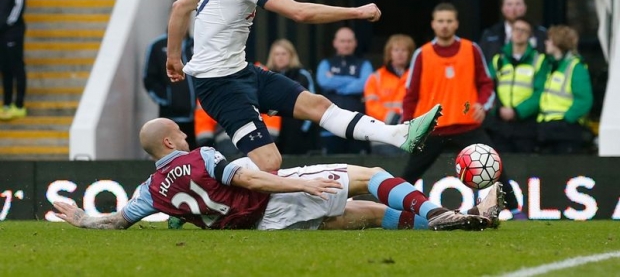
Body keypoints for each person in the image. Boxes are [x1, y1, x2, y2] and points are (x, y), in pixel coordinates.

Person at [166, 0, 442, 172]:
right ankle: (197, 187)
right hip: (218, 85)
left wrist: (174, 58)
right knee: (270, 163)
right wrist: (357, 12)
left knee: (317, 104)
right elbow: (300, 13)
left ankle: (398, 135)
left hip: (240, 72)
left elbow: (180, 7)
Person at [53, 117, 503, 232]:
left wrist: (81, 218)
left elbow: (118, 222)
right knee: (370, 174)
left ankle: (467, 224)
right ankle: (441, 212)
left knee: (363, 213)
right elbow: (248, 179)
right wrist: (299, 182)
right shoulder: (204, 157)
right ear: (170, 143)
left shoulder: (150, 190)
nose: (186, 132)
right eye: (178, 132)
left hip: (261, 225)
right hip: (273, 198)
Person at [402, 3, 525, 220]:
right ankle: (388, 208)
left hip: (467, 125)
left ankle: (515, 210)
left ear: (456, 23)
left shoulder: (471, 49)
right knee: (409, 174)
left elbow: (486, 84)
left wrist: (482, 105)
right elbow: (411, 94)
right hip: (433, 128)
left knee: (495, 168)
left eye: (449, 21)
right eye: (440, 21)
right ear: (433, 24)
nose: (445, 26)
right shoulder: (422, 54)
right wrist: (407, 126)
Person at [487, 18, 549, 153]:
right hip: (500, 124)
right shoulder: (499, 59)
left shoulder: (539, 60)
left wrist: (517, 111)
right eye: (516, 29)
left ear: (530, 36)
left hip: (526, 124)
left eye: (523, 30)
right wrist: (498, 109)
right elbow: (489, 88)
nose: (519, 33)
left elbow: (541, 92)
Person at [316, 27, 373, 154]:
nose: (346, 44)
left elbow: (363, 84)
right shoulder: (326, 63)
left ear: (355, 43)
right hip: (330, 125)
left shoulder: (364, 64)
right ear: (335, 43)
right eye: (342, 41)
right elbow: (324, 82)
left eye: (349, 41)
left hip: (358, 125)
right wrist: (351, 80)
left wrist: (336, 83)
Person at [537, 25, 593, 154]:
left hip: (566, 130)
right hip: (548, 128)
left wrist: (567, 119)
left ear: (557, 42)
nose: (546, 42)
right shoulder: (553, 65)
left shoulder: (575, 66)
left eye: (549, 40)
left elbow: (585, 100)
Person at [143, 31, 197, 149]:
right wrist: (168, 99)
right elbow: (149, 79)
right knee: (175, 153)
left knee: (200, 156)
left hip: (200, 117)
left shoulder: (196, 43)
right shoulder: (158, 45)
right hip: (171, 117)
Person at [364, 34, 415, 155]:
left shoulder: (416, 76)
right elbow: (371, 105)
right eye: (396, 50)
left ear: (410, 53)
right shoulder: (376, 78)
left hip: (410, 134)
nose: (400, 54)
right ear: (389, 53)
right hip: (383, 137)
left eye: (404, 50)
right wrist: (391, 117)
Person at [265, 39, 318, 155]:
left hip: (297, 130)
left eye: (284, 54)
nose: (280, 57)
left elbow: (314, 102)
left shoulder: (303, 75)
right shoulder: (266, 76)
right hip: (272, 132)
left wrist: (304, 129)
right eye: (277, 54)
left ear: (291, 55)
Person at [479, 0, 547, 63]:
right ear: (502, 8)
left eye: (518, 4)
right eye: (509, 4)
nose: (514, 9)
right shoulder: (490, 34)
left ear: (525, 8)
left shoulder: (540, 33)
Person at [0, 0, 26, 120]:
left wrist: (7, 23)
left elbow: (18, 5)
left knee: (16, 66)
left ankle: (19, 104)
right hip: (1, 31)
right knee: (4, 69)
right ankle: (6, 103)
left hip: (12, 31)